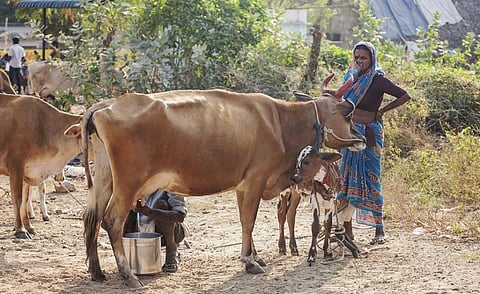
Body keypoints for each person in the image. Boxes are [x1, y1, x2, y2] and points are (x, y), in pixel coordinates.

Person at [335, 41, 411, 245]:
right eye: (357, 57)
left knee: (372, 178)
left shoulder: (377, 80)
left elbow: (405, 95)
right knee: (344, 178)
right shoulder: (350, 78)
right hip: (349, 132)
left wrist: (382, 111)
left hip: (369, 134)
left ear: (372, 59)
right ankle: (345, 230)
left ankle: (379, 230)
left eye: (364, 58)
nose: (359, 61)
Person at [124, 189, 188, 272]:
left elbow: (180, 216)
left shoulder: (171, 183)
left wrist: (150, 212)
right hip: (140, 231)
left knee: (161, 204)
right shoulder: (135, 181)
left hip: (169, 232)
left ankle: (172, 251)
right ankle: (128, 255)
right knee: (122, 210)